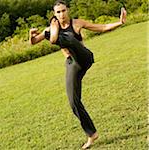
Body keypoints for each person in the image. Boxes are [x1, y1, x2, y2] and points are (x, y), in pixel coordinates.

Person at [29, 0, 127, 149]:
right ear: (54, 14)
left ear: (67, 10)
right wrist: (31, 34)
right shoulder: (50, 28)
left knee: (67, 39)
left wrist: (120, 22)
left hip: (84, 58)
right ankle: (91, 134)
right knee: (73, 102)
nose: (61, 14)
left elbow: (102, 27)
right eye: (58, 12)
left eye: (63, 11)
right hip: (72, 63)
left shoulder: (77, 23)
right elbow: (34, 42)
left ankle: (56, 39)